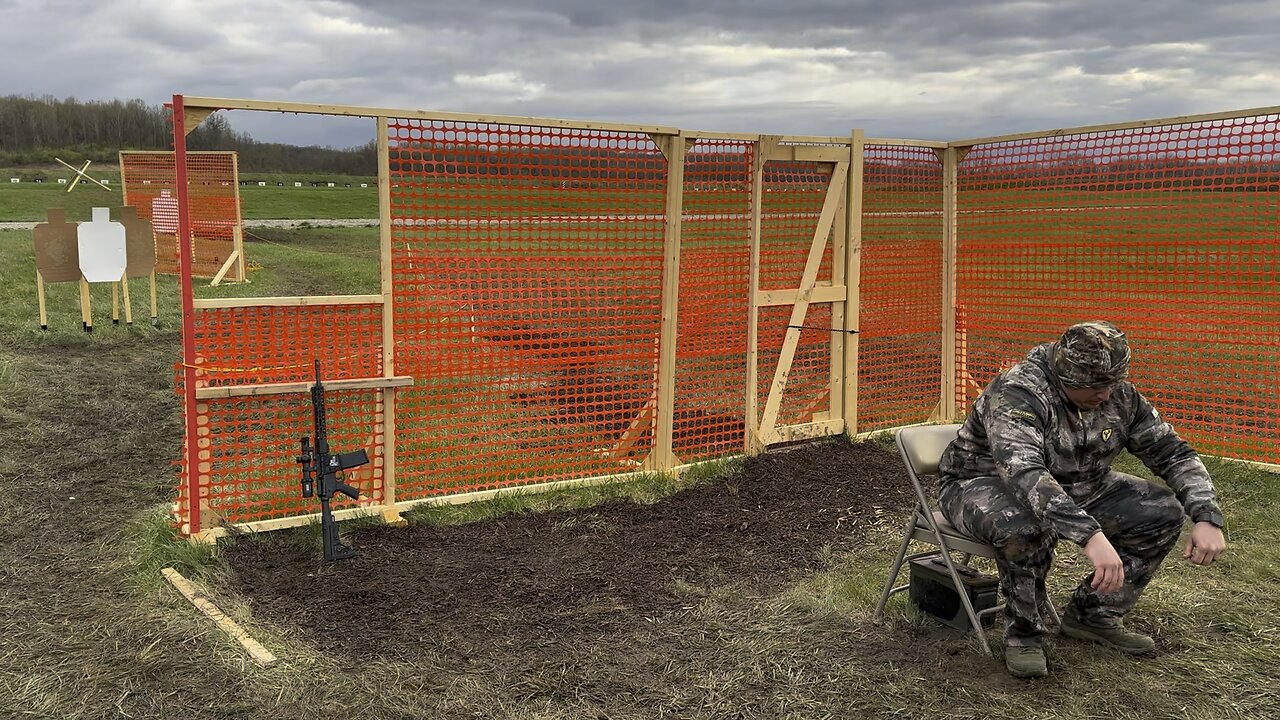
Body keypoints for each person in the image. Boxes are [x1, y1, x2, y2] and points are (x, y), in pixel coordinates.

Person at [937, 320, 1226, 679]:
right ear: (1064, 377)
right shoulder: (1018, 392)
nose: (1105, 396)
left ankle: (1093, 614)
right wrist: (1091, 536)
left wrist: (1206, 515)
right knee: (1026, 526)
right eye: (1094, 387)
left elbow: (1172, 453)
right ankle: (1025, 634)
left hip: (1078, 483)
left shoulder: (1119, 395)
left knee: (1162, 510)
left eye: (1111, 384)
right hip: (983, 483)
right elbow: (1025, 474)